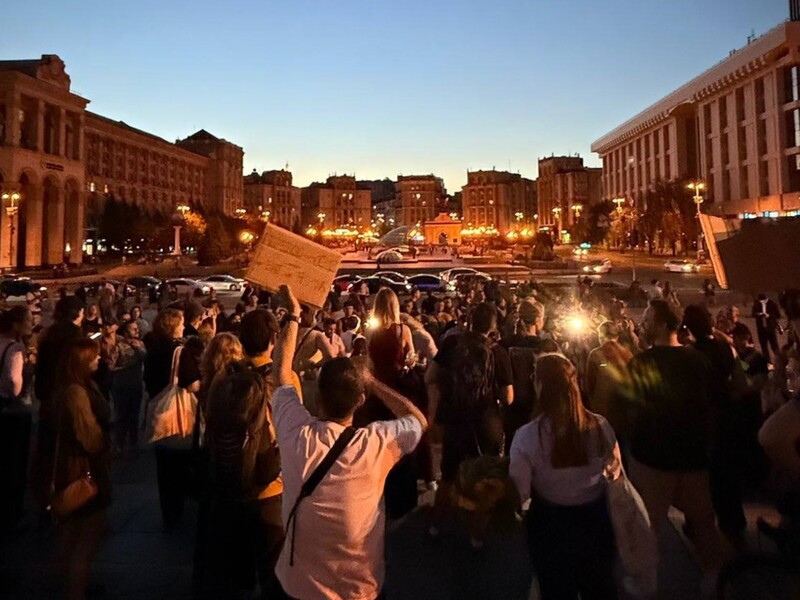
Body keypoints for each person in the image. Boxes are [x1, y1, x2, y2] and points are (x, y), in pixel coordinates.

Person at [271, 284, 426, 600]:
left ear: (317, 397)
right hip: (358, 588)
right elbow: (418, 420)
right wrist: (373, 383)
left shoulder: (295, 433)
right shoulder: (376, 443)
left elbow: (281, 375)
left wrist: (293, 316)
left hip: (298, 585)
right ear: (360, 401)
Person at [625, 300, 725, 584]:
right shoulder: (698, 360)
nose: (642, 322)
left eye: (646, 317)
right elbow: (713, 404)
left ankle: (647, 580)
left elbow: (633, 410)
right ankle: (715, 576)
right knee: (703, 520)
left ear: (660, 323)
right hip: (693, 456)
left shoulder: (641, 363)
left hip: (654, 459)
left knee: (649, 524)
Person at [510, 353, 620, 600]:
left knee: (556, 590)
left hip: (550, 526)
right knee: (599, 587)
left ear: (540, 386)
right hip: (595, 520)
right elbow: (614, 472)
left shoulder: (527, 436)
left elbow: (520, 490)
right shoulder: (600, 425)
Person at [426, 303, 514, 538]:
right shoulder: (498, 352)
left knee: (448, 475)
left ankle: (436, 525)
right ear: (493, 326)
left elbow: (429, 377)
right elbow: (508, 397)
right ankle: (477, 534)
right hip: (486, 424)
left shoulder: (452, 344)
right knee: (484, 478)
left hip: (455, 420)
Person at [53, 338, 112, 600]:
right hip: (82, 468)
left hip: (67, 466)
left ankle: (72, 586)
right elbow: (88, 435)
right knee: (86, 536)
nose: (98, 360)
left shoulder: (70, 387)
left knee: (70, 536)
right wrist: (105, 448)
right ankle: (76, 590)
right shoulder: (76, 392)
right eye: (94, 357)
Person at [362, 288, 422, 519]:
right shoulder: (402, 330)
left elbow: (370, 363)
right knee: (402, 437)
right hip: (399, 387)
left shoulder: (371, 332)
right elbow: (412, 358)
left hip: (379, 390)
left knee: (380, 437)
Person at [143, 308, 201, 529]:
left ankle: (168, 511)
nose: (184, 325)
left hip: (159, 411)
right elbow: (192, 384)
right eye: (181, 322)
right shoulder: (179, 352)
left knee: (164, 470)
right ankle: (181, 507)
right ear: (174, 325)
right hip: (178, 419)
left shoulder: (153, 351)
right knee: (182, 465)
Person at [34, 296, 86, 515]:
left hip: (48, 399)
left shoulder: (48, 335)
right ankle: (69, 498)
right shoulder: (75, 336)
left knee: (47, 455)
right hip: (68, 398)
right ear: (79, 313)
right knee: (70, 453)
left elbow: (41, 371)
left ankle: (45, 500)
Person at [0, 306, 34, 532]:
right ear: (16, 325)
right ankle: (13, 512)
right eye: (28, 321)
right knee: (15, 463)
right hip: (14, 411)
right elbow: (14, 381)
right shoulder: (16, 348)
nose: (31, 325)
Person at [584, 321, 633, 433]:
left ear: (602, 335)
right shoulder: (627, 353)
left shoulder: (596, 354)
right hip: (624, 409)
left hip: (602, 408)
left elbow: (589, 383)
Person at [106, 319, 147, 453]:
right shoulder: (118, 346)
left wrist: (137, 347)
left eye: (137, 328)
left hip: (135, 384)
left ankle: (134, 441)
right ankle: (119, 442)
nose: (136, 330)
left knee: (134, 414)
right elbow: (110, 366)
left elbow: (145, 357)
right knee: (121, 414)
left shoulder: (140, 344)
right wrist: (124, 368)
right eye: (132, 328)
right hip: (122, 385)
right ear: (125, 331)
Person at [752, 293, 781, 362]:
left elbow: (778, 315)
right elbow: (753, 314)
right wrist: (759, 314)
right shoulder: (756, 304)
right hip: (761, 329)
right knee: (764, 347)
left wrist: (769, 316)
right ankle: (768, 362)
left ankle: (780, 361)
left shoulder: (772, 304)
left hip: (770, 328)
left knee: (774, 346)